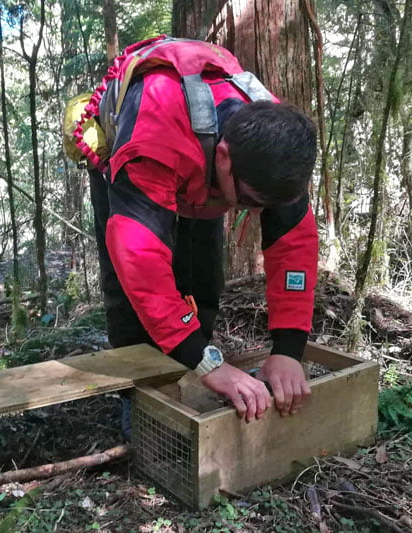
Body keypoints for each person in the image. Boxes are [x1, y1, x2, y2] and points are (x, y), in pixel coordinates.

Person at [82, 39, 318, 429]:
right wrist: (209, 363)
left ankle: (192, 366)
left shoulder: (278, 149)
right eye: (250, 200)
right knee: (127, 293)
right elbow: (139, 264)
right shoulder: (153, 141)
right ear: (223, 158)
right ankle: (138, 398)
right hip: (140, 144)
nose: (257, 213)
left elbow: (294, 245)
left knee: (203, 275)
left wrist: (289, 348)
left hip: (202, 167)